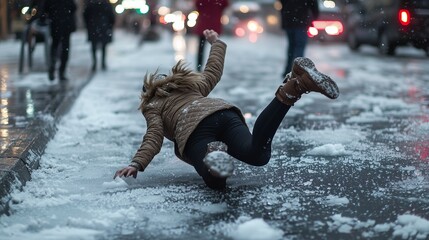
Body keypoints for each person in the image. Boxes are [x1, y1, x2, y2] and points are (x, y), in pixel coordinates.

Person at [114, 29, 339, 190]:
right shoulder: (188, 85)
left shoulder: (153, 105)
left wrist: (137, 163)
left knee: (216, 181)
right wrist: (217, 43)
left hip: (193, 130)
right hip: (223, 113)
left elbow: (153, 136)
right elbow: (213, 72)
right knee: (257, 154)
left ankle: (213, 153)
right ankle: (293, 87)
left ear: (147, 92)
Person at [280, 0, 319, 78]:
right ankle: (297, 71)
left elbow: (282, 3)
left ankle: (288, 70)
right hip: (301, 20)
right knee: (299, 46)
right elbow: (314, 5)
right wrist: (314, 16)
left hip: (289, 20)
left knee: (292, 46)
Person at [41, 0, 77, 81]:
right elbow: (74, 7)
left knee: (55, 45)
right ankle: (61, 71)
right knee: (65, 48)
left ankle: (52, 68)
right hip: (66, 24)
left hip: (55, 24)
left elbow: (45, 9)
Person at [193, 0, 229, 72]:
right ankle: (214, 69)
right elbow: (225, 4)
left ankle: (199, 67)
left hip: (203, 25)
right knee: (215, 47)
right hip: (215, 25)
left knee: (201, 48)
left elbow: (197, 5)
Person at [83, 0, 115, 71]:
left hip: (93, 27)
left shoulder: (91, 4)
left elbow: (85, 15)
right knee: (103, 46)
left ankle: (94, 63)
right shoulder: (106, 4)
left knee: (93, 46)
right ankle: (103, 63)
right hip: (104, 27)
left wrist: (88, 25)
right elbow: (112, 16)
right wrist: (109, 26)